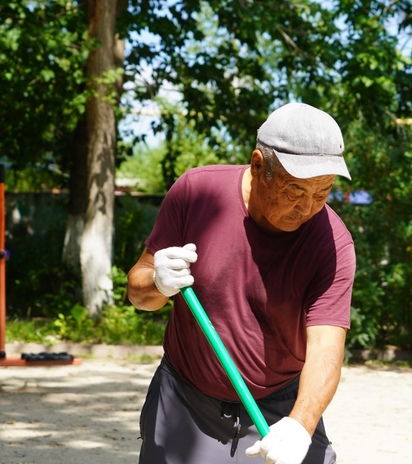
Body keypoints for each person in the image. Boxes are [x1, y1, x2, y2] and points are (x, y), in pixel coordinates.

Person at [127, 102, 356, 464]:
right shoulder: (196, 193)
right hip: (187, 400)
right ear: (258, 165)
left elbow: (326, 349)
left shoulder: (332, 242)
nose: (308, 207)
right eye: (296, 190)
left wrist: (301, 423)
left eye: (323, 192)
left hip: (281, 405)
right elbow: (139, 294)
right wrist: (157, 282)